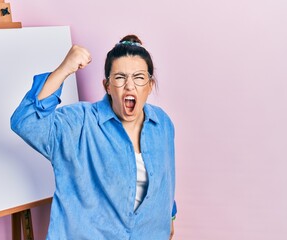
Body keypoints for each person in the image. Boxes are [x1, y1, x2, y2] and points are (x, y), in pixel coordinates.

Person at [11, 34, 177, 240]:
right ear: (107, 86)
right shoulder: (80, 123)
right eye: (120, 77)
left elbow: (165, 180)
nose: (129, 86)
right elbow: (25, 121)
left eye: (139, 77)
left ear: (150, 85)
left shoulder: (162, 124)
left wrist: (168, 218)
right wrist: (64, 69)